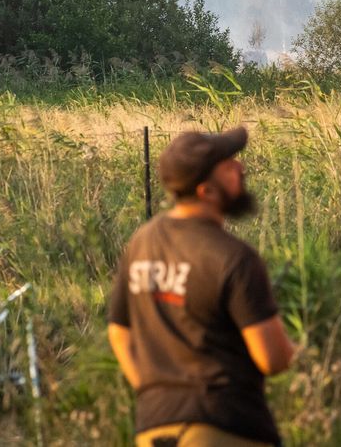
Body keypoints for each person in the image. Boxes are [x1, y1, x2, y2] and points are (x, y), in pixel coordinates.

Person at [108, 126, 294, 447]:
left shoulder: (141, 243)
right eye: (229, 166)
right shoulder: (233, 257)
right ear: (206, 189)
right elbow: (271, 359)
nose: (241, 168)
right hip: (224, 426)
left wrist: (155, 391)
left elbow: (119, 333)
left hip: (154, 428)